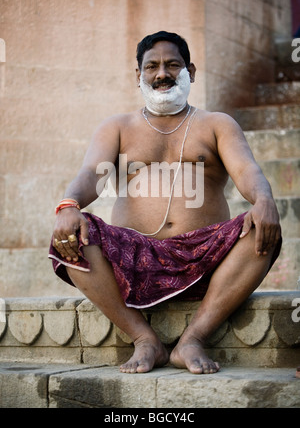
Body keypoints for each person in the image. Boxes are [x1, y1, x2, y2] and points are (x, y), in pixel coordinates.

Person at [49, 31, 282, 375]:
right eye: (152, 66)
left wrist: (264, 198)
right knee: (71, 238)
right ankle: (145, 339)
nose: (162, 74)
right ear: (139, 75)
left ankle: (193, 339)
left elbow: (247, 169)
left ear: (191, 71)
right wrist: (68, 205)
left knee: (260, 229)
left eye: (172, 64)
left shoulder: (216, 124)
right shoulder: (118, 126)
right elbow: (90, 174)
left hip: (206, 257)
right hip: (131, 259)